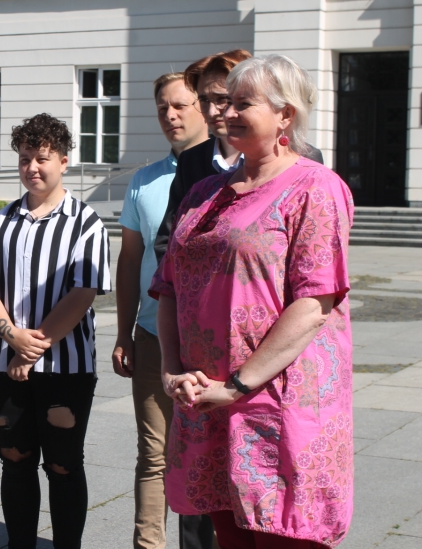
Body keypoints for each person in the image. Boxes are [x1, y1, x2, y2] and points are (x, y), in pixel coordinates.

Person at [150, 54, 354, 548]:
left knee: (282, 536)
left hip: (276, 406)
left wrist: (238, 385)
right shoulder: (202, 192)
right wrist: (172, 371)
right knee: (229, 537)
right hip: (208, 403)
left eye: (243, 103)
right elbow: (169, 286)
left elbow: (314, 303)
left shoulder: (315, 187)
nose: (226, 112)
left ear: (285, 114)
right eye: (225, 102)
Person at [0, 113, 111, 549]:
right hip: (2, 363)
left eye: (42, 158)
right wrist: (12, 337)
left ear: (63, 161)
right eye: (25, 158)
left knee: (64, 464)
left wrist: (32, 347)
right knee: (15, 460)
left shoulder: (86, 222)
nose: (32, 167)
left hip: (66, 367)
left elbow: (83, 293)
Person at [112, 72, 208, 549]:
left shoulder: (227, 172)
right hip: (153, 338)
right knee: (153, 455)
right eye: (162, 108)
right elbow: (130, 261)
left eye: (181, 105)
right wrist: (123, 333)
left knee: (207, 458)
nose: (170, 116)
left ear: (204, 106)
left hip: (210, 343)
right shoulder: (144, 180)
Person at [154, 49, 324, 264]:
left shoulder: (305, 162)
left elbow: (313, 254)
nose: (213, 111)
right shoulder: (192, 160)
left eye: (223, 99)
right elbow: (168, 239)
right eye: (204, 99)